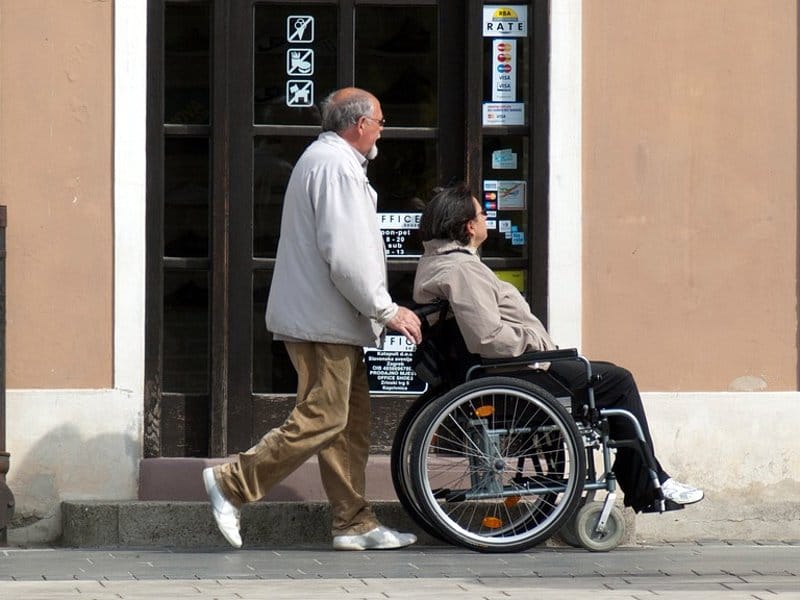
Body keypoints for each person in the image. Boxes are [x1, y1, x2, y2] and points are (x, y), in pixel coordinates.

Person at [203, 87, 422, 550]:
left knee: (349, 423)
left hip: (329, 319)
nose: (383, 130)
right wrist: (386, 308)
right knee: (324, 417)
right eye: (380, 122)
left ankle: (353, 522)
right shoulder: (336, 166)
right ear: (359, 124)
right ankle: (232, 482)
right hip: (324, 321)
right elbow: (346, 255)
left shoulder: (329, 162)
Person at [412, 184, 704, 513]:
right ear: (468, 226)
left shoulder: (439, 263)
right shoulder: (463, 270)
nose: (486, 219)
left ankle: (646, 476)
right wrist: (538, 344)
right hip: (513, 372)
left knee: (605, 376)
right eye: (482, 214)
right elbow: (488, 338)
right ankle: (649, 481)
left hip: (504, 372)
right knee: (617, 381)